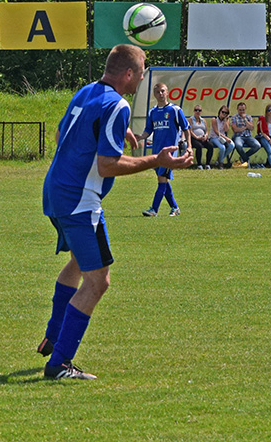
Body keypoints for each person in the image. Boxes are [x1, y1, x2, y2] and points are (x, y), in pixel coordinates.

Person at [38, 44, 193, 380]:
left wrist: (116, 130)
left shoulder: (87, 92)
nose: (142, 77)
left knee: (80, 263)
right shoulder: (118, 104)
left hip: (55, 191)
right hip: (80, 200)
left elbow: (61, 132)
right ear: (128, 74)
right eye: (141, 71)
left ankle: (54, 334)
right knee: (99, 280)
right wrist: (157, 160)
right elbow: (107, 165)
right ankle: (59, 364)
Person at [134, 83, 192, 217]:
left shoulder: (175, 110)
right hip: (157, 151)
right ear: (154, 94)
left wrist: (189, 146)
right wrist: (140, 137)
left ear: (167, 93)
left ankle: (154, 209)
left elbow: (186, 128)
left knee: (162, 178)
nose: (160, 94)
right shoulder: (152, 112)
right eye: (158, 92)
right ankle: (175, 207)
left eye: (163, 91)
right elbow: (148, 130)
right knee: (163, 180)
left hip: (169, 151)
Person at [230, 102, 262, 167]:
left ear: (245, 109)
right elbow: (235, 130)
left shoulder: (248, 117)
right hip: (239, 136)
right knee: (238, 145)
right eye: (240, 110)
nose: (242, 111)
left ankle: (244, 157)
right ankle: (246, 159)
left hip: (248, 136)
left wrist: (245, 120)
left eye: (243, 110)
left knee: (257, 145)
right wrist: (245, 127)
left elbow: (251, 128)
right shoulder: (234, 117)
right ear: (237, 109)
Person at [188, 105, 214, 169]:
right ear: (194, 111)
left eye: (199, 110)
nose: (197, 112)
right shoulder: (191, 120)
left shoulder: (203, 120)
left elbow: (206, 131)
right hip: (194, 138)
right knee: (199, 146)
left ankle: (208, 164)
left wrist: (205, 136)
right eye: (196, 110)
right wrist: (196, 137)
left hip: (202, 138)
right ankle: (199, 164)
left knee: (210, 146)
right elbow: (190, 131)